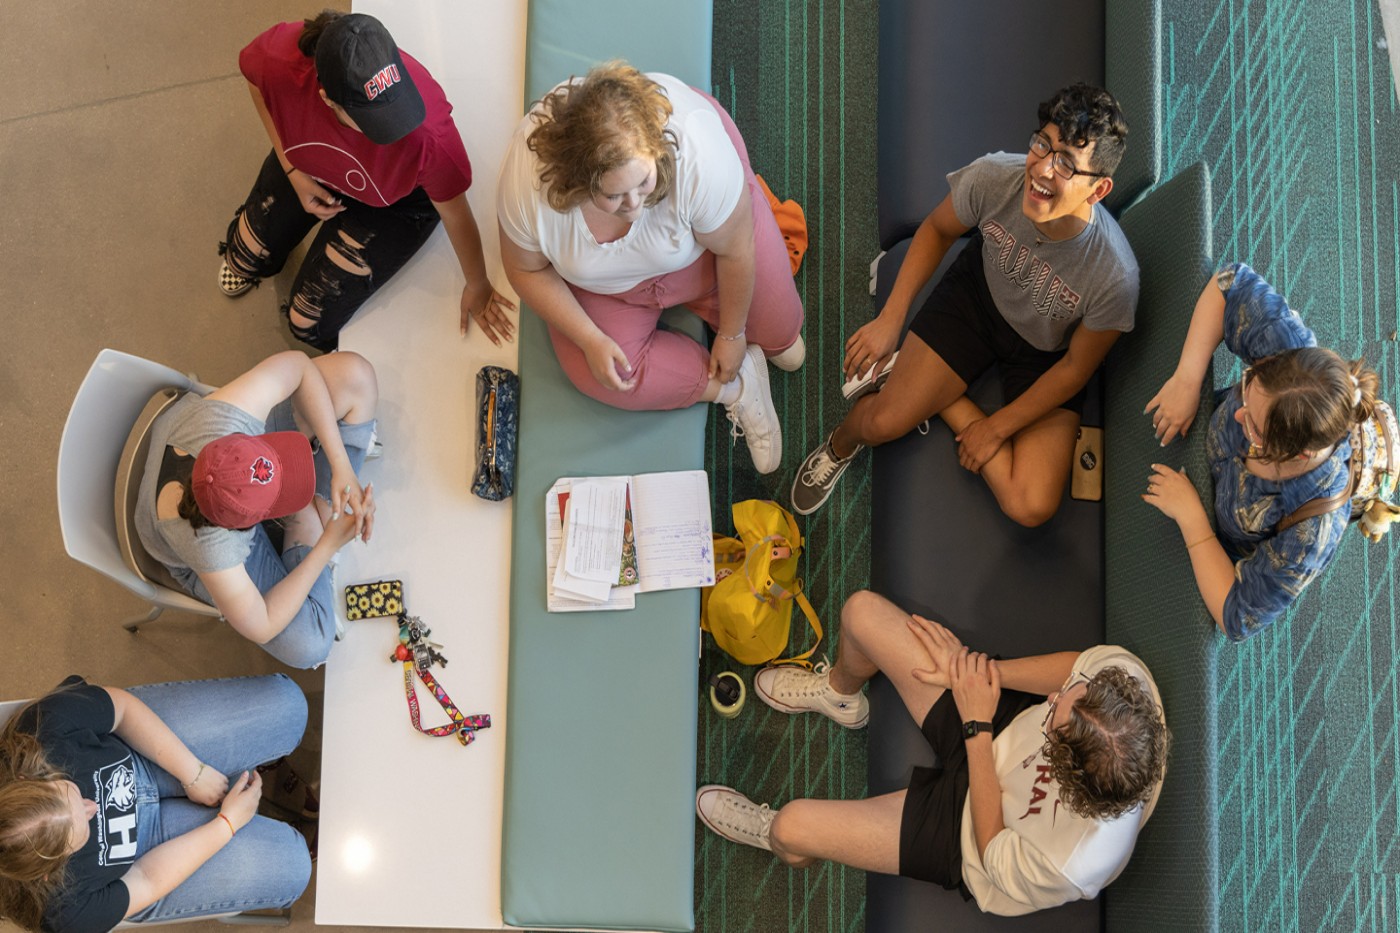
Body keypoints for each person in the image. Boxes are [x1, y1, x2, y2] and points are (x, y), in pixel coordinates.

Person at [697, 590, 1169, 915]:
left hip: (969, 833)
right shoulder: (1127, 688)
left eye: (1053, 717)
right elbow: (1073, 670)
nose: (1050, 701)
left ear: (1065, 778)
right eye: (1069, 696)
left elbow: (991, 848)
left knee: (790, 827)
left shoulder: (1073, 862)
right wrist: (982, 676)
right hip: (994, 724)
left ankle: (774, 837)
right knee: (861, 613)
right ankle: (839, 695)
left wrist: (975, 726)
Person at [791, 84, 1138, 523]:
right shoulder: (994, 176)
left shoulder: (1115, 277)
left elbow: (1075, 369)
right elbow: (936, 230)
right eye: (1042, 144)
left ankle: (938, 395)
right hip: (977, 301)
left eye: (1067, 163)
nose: (1044, 169)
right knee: (879, 424)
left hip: (1045, 356)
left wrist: (993, 429)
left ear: (1098, 189)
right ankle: (839, 445)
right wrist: (891, 317)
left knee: (1031, 506)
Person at [496, 61, 806, 474]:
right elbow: (526, 270)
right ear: (576, 184)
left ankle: (745, 342)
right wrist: (589, 338)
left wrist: (732, 335)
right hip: (609, 287)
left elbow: (735, 248)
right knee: (607, 373)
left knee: (785, 341)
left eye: (643, 183)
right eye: (614, 197)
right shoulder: (527, 186)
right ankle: (735, 388)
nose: (635, 206)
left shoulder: (696, 149)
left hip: (708, 252)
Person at [218, 11, 513, 350]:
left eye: (395, 111)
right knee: (246, 255)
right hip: (315, 162)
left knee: (306, 320)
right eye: (375, 122)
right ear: (327, 98)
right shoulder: (279, 58)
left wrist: (477, 284)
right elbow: (256, 83)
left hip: (396, 202)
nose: (394, 128)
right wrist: (292, 169)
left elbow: (456, 212)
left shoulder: (428, 134)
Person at [1142, 263, 1390, 641]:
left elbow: (1237, 616)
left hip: (1214, 534)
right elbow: (1228, 283)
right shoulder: (1290, 350)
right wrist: (1188, 378)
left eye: (1254, 428)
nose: (1239, 413)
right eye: (1248, 385)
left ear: (1300, 455)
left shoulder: (1312, 532)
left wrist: (1193, 519)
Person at [0, 674, 312, 933]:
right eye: (82, 829)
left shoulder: (40, 731)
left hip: (137, 753)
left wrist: (193, 771)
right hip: (142, 855)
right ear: (48, 873)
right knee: (294, 867)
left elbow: (120, 710)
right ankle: (251, 785)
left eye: (70, 792)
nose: (91, 806)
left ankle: (254, 773)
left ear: (28, 779)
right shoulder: (60, 911)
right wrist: (225, 825)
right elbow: (146, 881)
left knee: (289, 708)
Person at [134, 350, 379, 669]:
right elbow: (260, 623)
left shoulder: (225, 420)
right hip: (190, 548)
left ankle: (311, 517)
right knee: (310, 644)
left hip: (200, 458)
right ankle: (310, 525)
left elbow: (300, 365)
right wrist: (326, 546)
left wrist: (340, 463)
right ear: (254, 526)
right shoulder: (213, 549)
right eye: (283, 500)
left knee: (354, 374)